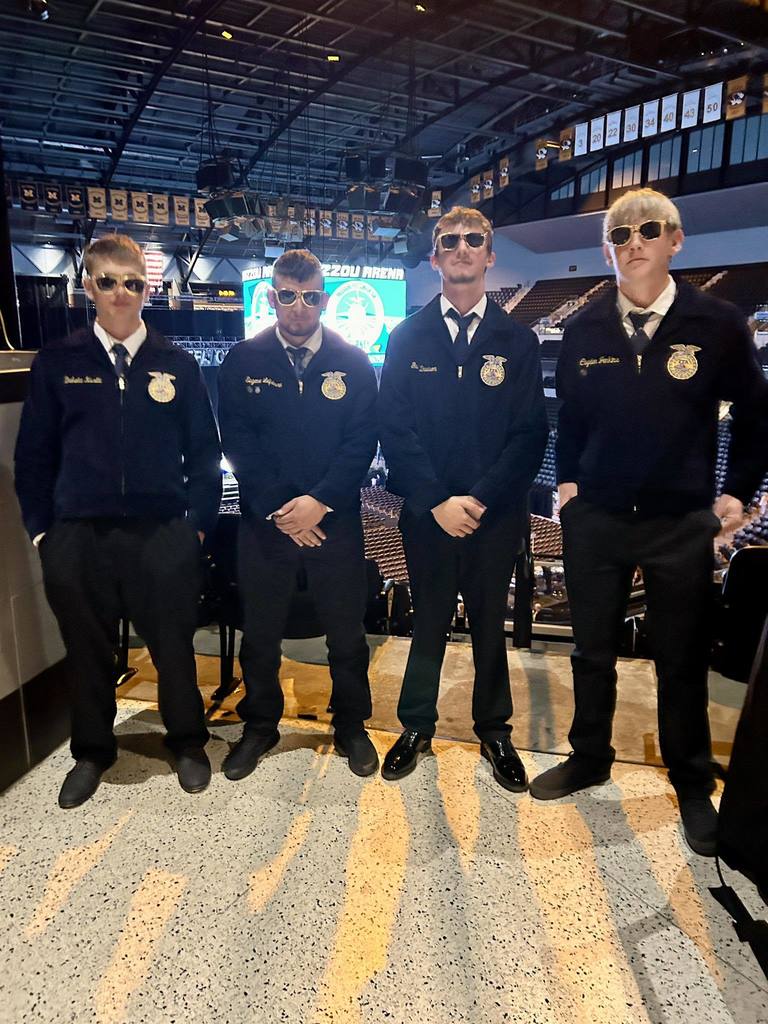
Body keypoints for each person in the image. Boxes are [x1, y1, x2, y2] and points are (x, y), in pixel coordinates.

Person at [529, 188, 768, 857]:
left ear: (675, 241)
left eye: (648, 229)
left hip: (678, 522)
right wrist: (569, 484)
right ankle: (590, 756)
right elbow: (570, 419)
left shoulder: (717, 323)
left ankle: (690, 779)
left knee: (682, 659)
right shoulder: (584, 328)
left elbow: (757, 415)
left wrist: (736, 493)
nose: (633, 241)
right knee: (590, 652)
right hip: (597, 519)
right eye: (620, 232)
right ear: (607, 248)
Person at [14, 234, 222, 807]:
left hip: (161, 535)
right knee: (86, 652)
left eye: (133, 283)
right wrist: (44, 535)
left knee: (175, 648)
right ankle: (92, 751)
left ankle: (186, 741)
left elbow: (205, 458)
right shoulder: (58, 363)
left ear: (147, 289)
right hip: (79, 536)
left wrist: (195, 530)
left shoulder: (176, 364)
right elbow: (32, 459)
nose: (121, 293)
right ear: (89, 287)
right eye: (108, 281)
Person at [378, 206, 548, 788]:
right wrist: (435, 501)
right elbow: (394, 431)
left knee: (487, 627)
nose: (461, 248)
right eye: (449, 241)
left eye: (473, 240)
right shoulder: (407, 336)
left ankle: (494, 731)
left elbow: (531, 436)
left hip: (492, 518)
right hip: (427, 517)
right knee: (426, 620)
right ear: (435, 257)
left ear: (489, 254)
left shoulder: (517, 341)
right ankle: (416, 725)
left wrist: (475, 500)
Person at [217, 249, 379, 779]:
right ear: (272, 298)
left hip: (335, 523)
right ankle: (260, 725)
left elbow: (361, 443)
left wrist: (319, 503)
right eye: (287, 295)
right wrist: (284, 510)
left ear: (324, 300)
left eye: (310, 297)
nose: (298, 307)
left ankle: (351, 723)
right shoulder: (243, 360)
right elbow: (238, 441)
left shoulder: (354, 362)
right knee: (260, 635)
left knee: (346, 633)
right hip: (267, 525)